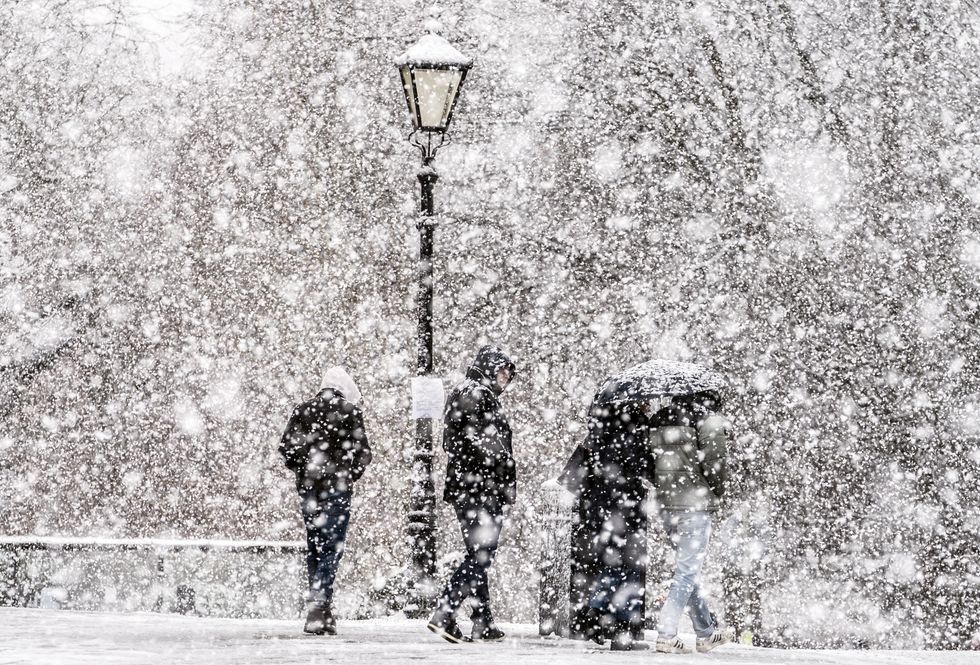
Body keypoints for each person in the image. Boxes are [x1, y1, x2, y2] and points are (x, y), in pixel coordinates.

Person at [427, 346, 517, 644]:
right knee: (482, 553)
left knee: (478, 554)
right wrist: (501, 464)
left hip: (469, 487)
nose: (507, 378)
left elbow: (458, 442)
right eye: (504, 371)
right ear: (490, 368)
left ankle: (483, 621)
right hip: (481, 488)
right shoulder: (477, 394)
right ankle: (445, 611)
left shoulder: (468, 392)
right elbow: (481, 444)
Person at [278, 366, 372, 636]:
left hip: (309, 490)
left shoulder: (303, 410)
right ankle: (319, 605)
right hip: (337, 489)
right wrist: (348, 474)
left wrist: (303, 470)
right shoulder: (350, 412)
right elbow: (364, 454)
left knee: (316, 545)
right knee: (332, 547)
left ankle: (321, 611)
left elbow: (286, 448)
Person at [648, 392, 734, 654]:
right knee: (686, 573)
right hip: (694, 504)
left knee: (688, 570)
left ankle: (705, 632)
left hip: (667, 504)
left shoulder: (657, 420)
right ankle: (666, 634)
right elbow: (715, 462)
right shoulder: (708, 421)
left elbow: (651, 462)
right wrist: (716, 491)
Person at [576, 399, 656, 651]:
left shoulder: (603, 422)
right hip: (626, 505)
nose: (649, 405)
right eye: (647, 402)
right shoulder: (637, 425)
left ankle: (594, 611)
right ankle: (622, 631)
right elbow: (643, 467)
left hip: (601, 505)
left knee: (613, 562)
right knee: (629, 567)